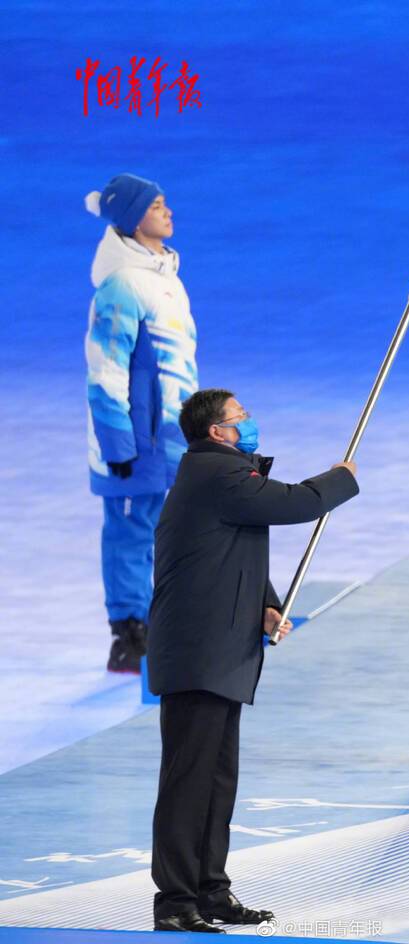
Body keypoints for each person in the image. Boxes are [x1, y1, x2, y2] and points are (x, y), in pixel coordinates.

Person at [147, 388, 359, 933]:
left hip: (222, 651)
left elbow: (234, 549)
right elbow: (293, 503)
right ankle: (175, 900)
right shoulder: (214, 475)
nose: (251, 421)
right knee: (188, 780)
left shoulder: (219, 478)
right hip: (199, 653)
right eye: (241, 417)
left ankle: (211, 890)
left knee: (217, 779)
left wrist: (266, 606)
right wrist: (340, 478)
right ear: (218, 432)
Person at [84, 173, 198, 673]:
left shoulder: (165, 279)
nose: (168, 211)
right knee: (130, 530)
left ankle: (163, 621)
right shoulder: (122, 286)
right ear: (132, 218)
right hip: (133, 442)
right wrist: (118, 445)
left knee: (167, 527)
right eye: (156, 205)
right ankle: (129, 636)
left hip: (169, 436)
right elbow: (105, 367)